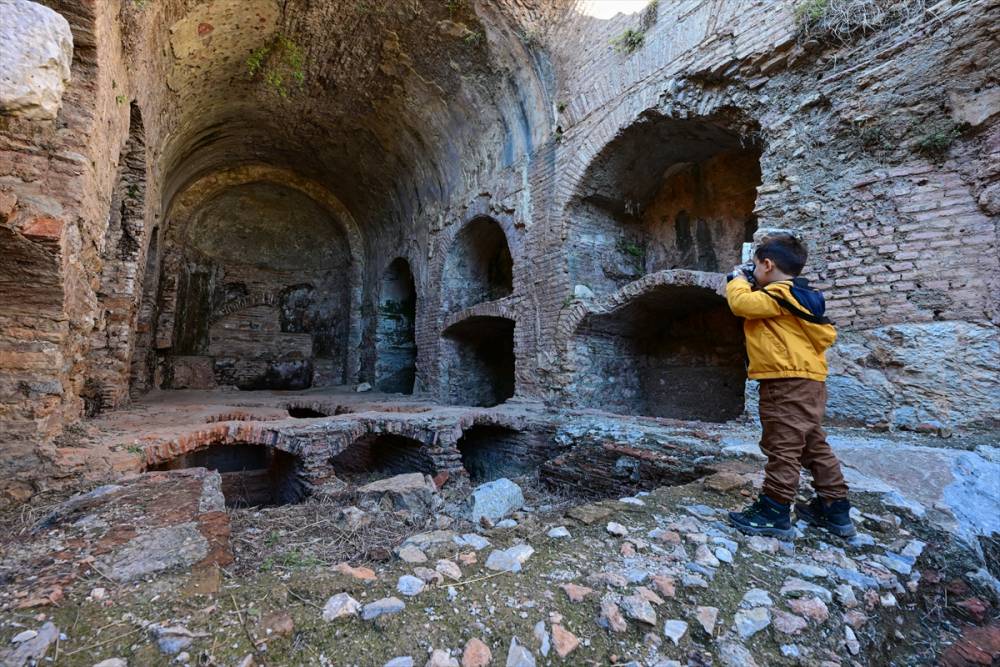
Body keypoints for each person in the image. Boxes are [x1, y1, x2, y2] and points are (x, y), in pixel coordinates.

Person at [724, 233, 855, 539]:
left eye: (756, 267)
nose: (754, 273)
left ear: (767, 265)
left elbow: (741, 303)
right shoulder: (799, 296)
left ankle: (774, 512)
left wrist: (736, 278)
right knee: (813, 445)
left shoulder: (778, 296)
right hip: (810, 381)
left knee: (782, 446)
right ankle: (834, 509)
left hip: (785, 383)